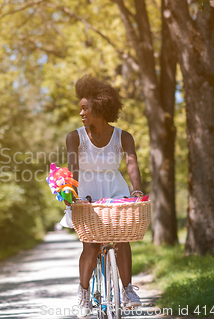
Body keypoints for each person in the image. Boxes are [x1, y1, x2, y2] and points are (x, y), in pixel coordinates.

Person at [63, 75, 143, 317]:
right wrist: (72, 194)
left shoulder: (123, 137)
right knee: (91, 245)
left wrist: (136, 190)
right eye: (81, 108)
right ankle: (84, 294)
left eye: (85, 108)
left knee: (121, 238)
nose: (81, 113)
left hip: (114, 190)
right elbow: (72, 168)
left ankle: (127, 289)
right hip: (85, 192)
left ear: (99, 107)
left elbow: (131, 165)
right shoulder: (75, 137)